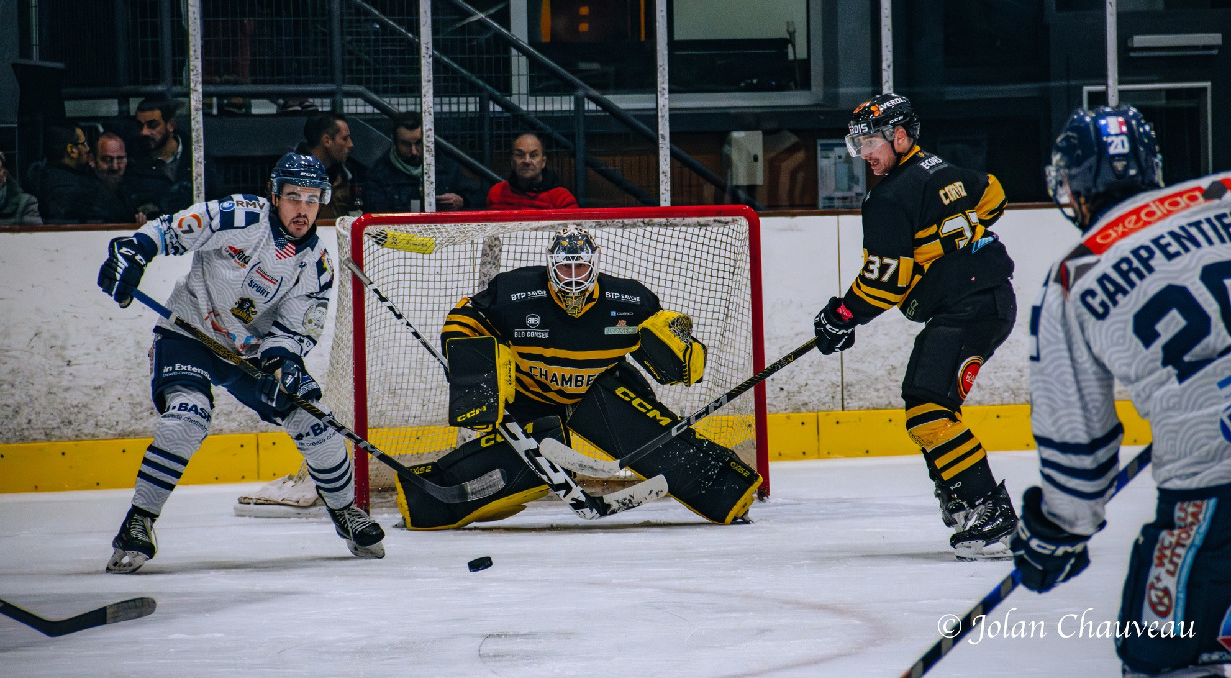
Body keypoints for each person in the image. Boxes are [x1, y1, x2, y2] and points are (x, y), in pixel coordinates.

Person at [1013, 105, 1231, 677]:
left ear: (1077, 187)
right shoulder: (1225, 193)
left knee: (1158, 654)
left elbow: (1078, 453)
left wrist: (1057, 534)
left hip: (1214, 496)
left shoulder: (1073, 275)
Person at [96, 152, 385, 573]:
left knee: (316, 423)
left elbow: (293, 332)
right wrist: (135, 251)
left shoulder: (317, 267)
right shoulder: (239, 216)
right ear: (274, 195)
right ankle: (138, 522)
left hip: (249, 356)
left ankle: (345, 512)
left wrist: (285, 365)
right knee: (187, 418)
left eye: (310, 198)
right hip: (187, 333)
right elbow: (168, 231)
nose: (301, 208)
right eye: (292, 197)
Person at [397, 226, 761, 530]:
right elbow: (465, 316)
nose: (573, 278)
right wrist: (474, 360)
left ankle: (728, 494)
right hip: (529, 397)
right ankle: (423, 503)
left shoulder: (630, 300)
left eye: (581, 269)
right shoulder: (514, 291)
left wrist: (682, 353)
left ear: (595, 265)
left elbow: (672, 357)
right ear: (551, 266)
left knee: (656, 441)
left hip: (597, 388)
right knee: (514, 467)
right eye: (565, 269)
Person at [811, 93, 1016, 560]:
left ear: (900, 137)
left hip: (969, 308)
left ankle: (989, 510)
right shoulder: (950, 171)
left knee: (928, 410)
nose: (864, 154)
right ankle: (964, 497)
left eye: (870, 142)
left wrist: (842, 316)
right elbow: (995, 195)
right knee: (925, 404)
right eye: (858, 143)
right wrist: (950, 244)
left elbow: (885, 285)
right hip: (985, 301)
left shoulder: (888, 199)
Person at [359, 112, 479, 213]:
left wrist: (463, 201)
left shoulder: (448, 168)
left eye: (418, 143)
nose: (414, 151)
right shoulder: (378, 176)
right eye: (406, 144)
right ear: (394, 142)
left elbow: (477, 198)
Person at [127, 96, 222, 220]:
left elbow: (216, 203)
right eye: (140, 126)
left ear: (171, 125)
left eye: (152, 125)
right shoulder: (133, 162)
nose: (144, 132)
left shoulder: (198, 158)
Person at [294, 113, 363, 220]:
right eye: (345, 139)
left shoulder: (344, 176)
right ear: (327, 141)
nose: (350, 144)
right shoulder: (291, 176)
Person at [484, 133, 577, 210]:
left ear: (543, 162)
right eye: (520, 155)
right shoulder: (496, 194)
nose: (527, 161)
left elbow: (573, 230)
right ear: (512, 161)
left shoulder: (561, 199)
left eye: (533, 155)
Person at [35, 122, 101, 223]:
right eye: (84, 144)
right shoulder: (71, 188)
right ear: (71, 150)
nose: (87, 149)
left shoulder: (43, 177)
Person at [90, 132, 146, 224]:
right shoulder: (81, 193)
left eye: (120, 159)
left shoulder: (137, 189)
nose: (115, 167)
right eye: (107, 160)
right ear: (92, 160)